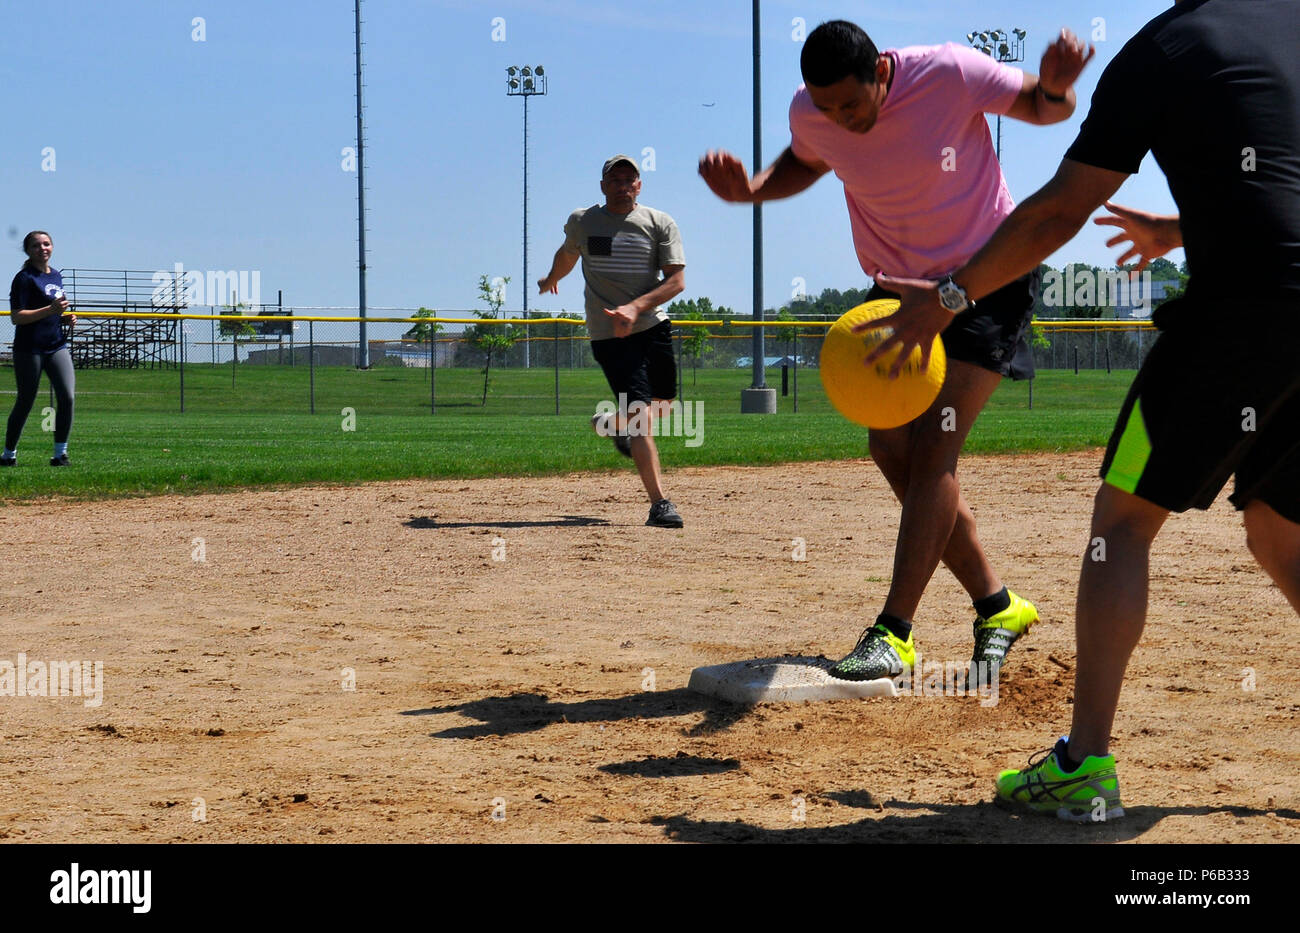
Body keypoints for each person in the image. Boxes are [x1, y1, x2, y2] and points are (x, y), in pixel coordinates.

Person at [870, 0, 1300, 820]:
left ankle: (1083, 762)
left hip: (1241, 312)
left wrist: (951, 295)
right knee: (1280, 525)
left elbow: (1059, 211)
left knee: (1124, 518)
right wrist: (1188, 226)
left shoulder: (1166, 46)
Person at [698, 20, 1094, 682]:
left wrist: (1055, 88)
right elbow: (807, 159)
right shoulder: (813, 111)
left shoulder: (947, 73)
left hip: (983, 279)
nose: (840, 120)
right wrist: (754, 189)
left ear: (881, 72)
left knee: (936, 449)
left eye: (851, 105)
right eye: (826, 108)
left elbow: (1042, 107)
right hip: (897, 294)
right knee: (891, 450)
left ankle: (895, 632)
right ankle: (997, 605)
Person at [538, 154, 687, 528]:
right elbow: (569, 254)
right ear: (603, 186)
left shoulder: (659, 223)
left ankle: (611, 424)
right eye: (615, 180)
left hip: (651, 325)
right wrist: (551, 278)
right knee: (641, 418)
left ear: (640, 185)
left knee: (665, 406)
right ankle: (660, 504)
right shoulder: (585, 222)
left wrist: (636, 308)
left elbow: (676, 281)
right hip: (609, 332)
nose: (623, 186)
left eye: (629, 179)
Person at [5, 231, 76, 467]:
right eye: (36, 245)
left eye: (46, 244)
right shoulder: (24, 278)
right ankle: (8, 454)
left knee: (67, 396)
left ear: (53, 247)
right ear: (28, 251)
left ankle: (60, 454)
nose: (42, 248)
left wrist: (64, 318)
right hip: (29, 348)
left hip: (56, 345)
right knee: (26, 400)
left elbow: (55, 311)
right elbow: (17, 317)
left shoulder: (56, 276)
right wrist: (51, 311)